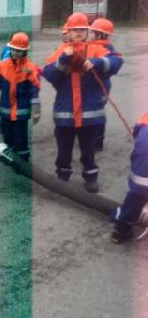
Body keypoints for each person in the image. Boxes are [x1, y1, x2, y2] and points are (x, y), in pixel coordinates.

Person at [42, 12, 122, 193]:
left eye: (82, 29)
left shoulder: (96, 49)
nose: (79, 33)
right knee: (64, 150)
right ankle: (62, 176)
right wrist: (63, 59)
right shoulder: (61, 51)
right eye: (75, 29)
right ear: (68, 32)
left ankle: (90, 176)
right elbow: (48, 73)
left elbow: (117, 61)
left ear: (87, 31)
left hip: (89, 115)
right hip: (66, 115)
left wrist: (96, 63)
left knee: (88, 151)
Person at [0, 32, 41, 160]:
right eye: (13, 49)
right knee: (6, 135)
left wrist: (36, 109)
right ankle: (9, 157)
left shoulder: (29, 68)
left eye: (19, 51)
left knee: (20, 138)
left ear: (25, 51)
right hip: (5, 112)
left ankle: (23, 162)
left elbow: (34, 90)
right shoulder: (3, 66)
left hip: (21, 114)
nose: (15, 53)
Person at [110, 113, 148, 243]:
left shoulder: (145, 118)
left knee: (135, 196)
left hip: (142, 165)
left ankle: (120, 231)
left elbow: (137, 132)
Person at [88, 18, 123, 151]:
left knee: (97, 113)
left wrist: (96, 63)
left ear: (100, 34)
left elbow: (112, 64)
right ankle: (91, 139)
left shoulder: (106, 48)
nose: (90, 34)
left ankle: (97, 141)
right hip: (94, 86)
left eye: (92, 32)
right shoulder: (92, 45)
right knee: (91, 112)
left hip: (101, 87)